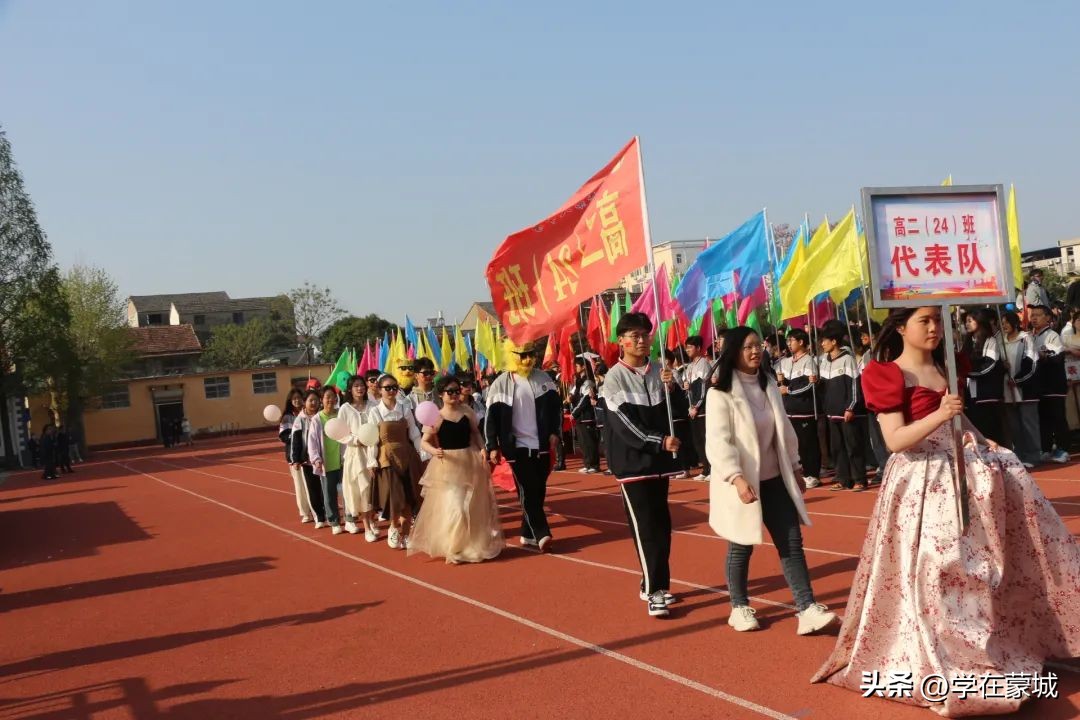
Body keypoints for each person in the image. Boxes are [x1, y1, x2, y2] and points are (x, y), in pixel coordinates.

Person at [812, 306, 1080, 716]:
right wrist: (943, 413)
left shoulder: (949, 366)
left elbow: (960, 420)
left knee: (983, 566)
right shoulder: (886, 374)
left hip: (964, 476)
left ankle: (986, 644)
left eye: (939, 320)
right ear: (901, 326)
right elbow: (896, 440)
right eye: (925, 321)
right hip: (921, 481)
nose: (935, 328)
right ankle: (941, 657)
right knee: (937, 569)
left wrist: (982, 439)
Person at [705, 326, 837, 635]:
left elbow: (784, 431)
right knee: (741, 545)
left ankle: (806, 608)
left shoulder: (768, 384)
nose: (755, 351)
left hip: (775, 479)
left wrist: (795, 467)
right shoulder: (719, 393)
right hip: (742, 483)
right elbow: (718, 442)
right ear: (734, 352)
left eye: (758, 346)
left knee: (791, 542)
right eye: (747, 347)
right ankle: (738, 606)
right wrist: (736, 478)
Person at [601, 312, 687, 618]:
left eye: (645, 335)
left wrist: (673, 388)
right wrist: (658, 440)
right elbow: (624, 424)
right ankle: (654, 591)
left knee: (662, 527)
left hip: (659, 464)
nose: (641, 340)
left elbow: (681, 413)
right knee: (646, 528)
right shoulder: (614, 378)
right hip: (633, 464)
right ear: (621, 341)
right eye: (634, 336)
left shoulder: (660, 372)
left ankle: (654, 583)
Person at [409, 375, 505, 563]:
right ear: (441, 395)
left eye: (456, 390)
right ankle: (453, 547)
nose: (454, 394)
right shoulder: (435, 416)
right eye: (449, 392)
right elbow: (424, 442)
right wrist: (434, 451)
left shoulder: (467, 411)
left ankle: (470, 545)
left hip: (469, 461)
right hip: (447, 465)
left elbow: (476, 434)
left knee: (472, 506)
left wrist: (482, 449)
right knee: (456, 507)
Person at [485, 340, 562, 552]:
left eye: (530, 354)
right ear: (511, 355)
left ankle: (527, 534)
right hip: (515, 447)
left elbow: (556, 408)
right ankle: (541, 532)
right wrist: (492, 444)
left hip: (541, 446)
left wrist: (555, 432)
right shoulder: (500, 383)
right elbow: (490, 418)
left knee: (538, 490)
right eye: (521, 355)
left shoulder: (544, 378)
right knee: (527, 490)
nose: (527, 359)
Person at [368, 373, 424, 549]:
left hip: (407, 454)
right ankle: (393, 527)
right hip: (387, 457)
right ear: (379, 389)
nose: (391, 391)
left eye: (394, 387)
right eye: (387, 388)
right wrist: (372, 461)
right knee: (394, 495)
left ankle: (406, 532)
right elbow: (372, 439)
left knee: (409, 495)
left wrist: (421, 452)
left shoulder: (404, 408)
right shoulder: (375, 411)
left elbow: (414, 432)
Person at [818, 324, 867, 491]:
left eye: (824, 341)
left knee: (853, 446)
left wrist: (850, 407)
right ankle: (842, 479)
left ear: (834, 341)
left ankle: (859, 479)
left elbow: (854, 385)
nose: (822, 344)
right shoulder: (824, 361)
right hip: (831, 413)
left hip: (846, 412)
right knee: (837, 448)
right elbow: (823, 388)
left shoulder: (847, 359)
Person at [775, 329, 821, 489]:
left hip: (805, 409)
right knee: (795, 444)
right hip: (789, 410)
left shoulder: (809, 360)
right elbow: (781, 385)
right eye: (787, 341)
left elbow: (810, 384)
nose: (788, 344)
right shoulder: (786, 361)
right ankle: (801, 471)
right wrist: (780, 380)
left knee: (808, 443)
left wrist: (789, 390)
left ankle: (812, 473)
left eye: (791, 341)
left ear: (801, 342)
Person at [998, 310, 1041, 468]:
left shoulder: (1026, 339)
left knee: (1028, 423)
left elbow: (1032, 363)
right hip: (1006, 390)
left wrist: (1018, 380)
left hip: (1025, 389)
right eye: (1002, 324)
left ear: (1014, 322)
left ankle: (1034, 456)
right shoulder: (999, 341)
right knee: (1014, 425)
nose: (1004, 326)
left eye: (1007, 322)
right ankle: (1020, 455)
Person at [339, 375, 379, 540]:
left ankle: (373, 520)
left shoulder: (373, 406)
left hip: (374, 450)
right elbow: (339, 433)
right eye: (355, 386)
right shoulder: (345, 409)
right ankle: (367, 526)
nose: (359, 388)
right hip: (356, 455)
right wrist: (356, 440)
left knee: (374, 489)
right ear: (350, 389)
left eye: (361, 385)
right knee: (362, 489)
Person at [1029, 304, 1071, 463]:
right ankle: (1046, 448)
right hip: (1040, 386)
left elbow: (1058, 356)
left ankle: (1063, 449)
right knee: (1043, 418)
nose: (1034, 318)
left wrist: (1041, 355)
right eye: (1032, 315)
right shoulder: (1031, 336)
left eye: (1038, 315)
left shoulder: (1052, 335)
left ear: (1048, 318)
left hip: (1054, 385)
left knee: (1058, 417)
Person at [962, 308, 1005, 444]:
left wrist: (968, 371)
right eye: (965, 322)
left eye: (970, 321)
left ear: (979, 321)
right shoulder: (968, 342)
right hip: (972, 394)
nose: (967, 324)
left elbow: (990, 365)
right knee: (977, 429)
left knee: (990, 429)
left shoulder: (990, 341)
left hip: (988, 393)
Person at [307, 386, 345, 535]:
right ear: (322, 400)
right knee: (329, 494)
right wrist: (316, 458)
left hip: (342, 460)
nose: (330, 400)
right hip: (327, 463)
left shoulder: (341, 414)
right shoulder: (317, 419)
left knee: (346, 492)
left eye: (333, 396)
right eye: (327, 397)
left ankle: (349, 518)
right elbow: (312, 441)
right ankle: (334, 520)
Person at [291, 390, 329, 528]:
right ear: (304, 402)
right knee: (313, 489)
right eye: (310, 400)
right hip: (308, 461)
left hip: (326, 457)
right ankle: (319, 516)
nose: (313, 403)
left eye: (316, 400)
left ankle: (329, 513)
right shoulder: (299, 420)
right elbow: (296, 441)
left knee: (327, 488)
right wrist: (295, 459)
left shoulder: (323, 416)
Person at [280, 388, 315, 523]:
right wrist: (298, 437)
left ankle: (316, 509)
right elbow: (283, 436)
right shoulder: (288, 417)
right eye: (294, 398)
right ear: (290, 400)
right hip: (296, 456)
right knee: (300, 485)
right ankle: (305, 512)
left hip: (311, 456)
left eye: (299, 398)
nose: (297, 400)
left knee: (312, 485)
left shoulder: (310, 413)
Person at [683, 335, 712, 481]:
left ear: (699, 348)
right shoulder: (689, 366)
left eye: (690, 346)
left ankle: (711, 469)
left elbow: (703, 387)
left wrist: (696, 406)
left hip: (702, 409)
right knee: (698, 440)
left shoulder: (704, 364)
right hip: (692, 408)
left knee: (706, 439)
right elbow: (689, 389)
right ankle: (705, 469)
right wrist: (686, 387)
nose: (687, 349)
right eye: (686, 347)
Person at [569, 356, 601, 474]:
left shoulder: (588, 382)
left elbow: (585, 400)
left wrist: (574, 412)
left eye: (577, 366)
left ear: (583, 367)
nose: (575, 368)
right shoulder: (579, 381)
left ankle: (594, 465)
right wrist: (570, 398)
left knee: (589, 442)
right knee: (583, 443)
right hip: (579, 418)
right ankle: (587, 464)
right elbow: (574, 395)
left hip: (586, 417)